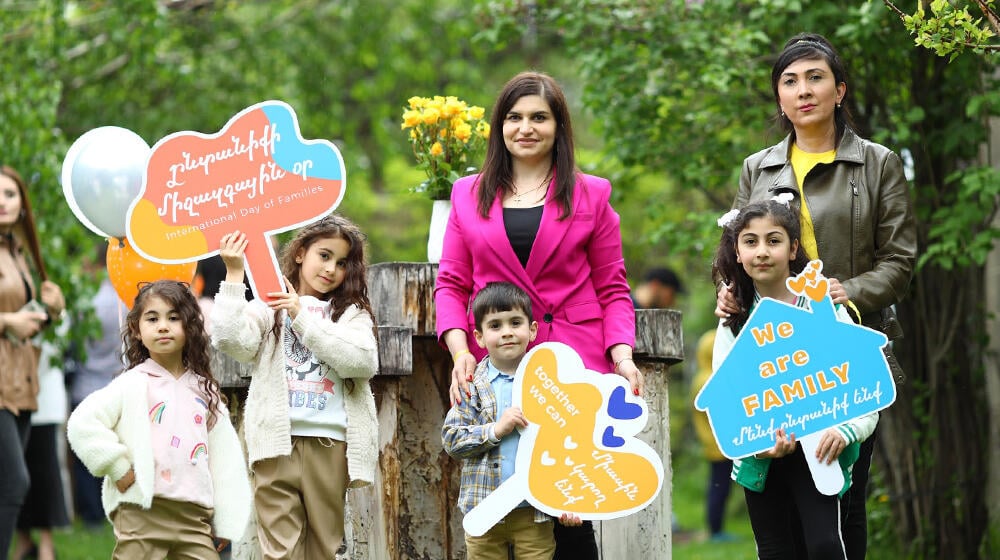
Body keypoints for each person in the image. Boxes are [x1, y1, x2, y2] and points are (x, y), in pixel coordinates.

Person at [717, 33, 916, 559]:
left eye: (815, 77)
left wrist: (843, 290)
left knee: (839, 507)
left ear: (839, 90)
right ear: (779, 97)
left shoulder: (877, 164)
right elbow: (736, 250)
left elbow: (899, 262)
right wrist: (727, 295)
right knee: (777, 507)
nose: (803, 90)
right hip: (770, 357)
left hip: (844, 356)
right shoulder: (757, 168)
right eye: (790, 81)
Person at [434, 72, 639, 558]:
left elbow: (612, 287)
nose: (526, 128)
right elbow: (452, 283)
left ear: (558, 126)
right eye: (514, 117)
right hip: (497, 363)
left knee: (569, 506)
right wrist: (461, 351)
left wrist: (623, 356)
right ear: (499, 127)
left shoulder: (593, 193)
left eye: (539, 117)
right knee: (499, 500)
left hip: (573, 362)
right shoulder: (468, 193)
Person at [712, 198, 878, 559]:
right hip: (762, 457)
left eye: (773, 240)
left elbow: (866, 385)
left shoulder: (823, 308)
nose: (762, 251)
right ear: (737, 253)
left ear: (793, 249)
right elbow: (725, 400)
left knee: (824, 547)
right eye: (750, 241)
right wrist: (756, 441)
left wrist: (846, 430)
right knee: (776, 551)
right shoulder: (734, 320)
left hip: (820, 449)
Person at [211, 214, 379, 559]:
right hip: (275, 446)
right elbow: (230, 341)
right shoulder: (269, 305)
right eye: (324, 255)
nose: (331, 268)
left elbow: (361, 362)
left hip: (329, 445)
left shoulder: (350, 314)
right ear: (301, 253)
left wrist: (301, 317)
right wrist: (233, 275)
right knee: (280, 553)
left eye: (342, 262)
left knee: (325, 548)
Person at [65, 280, 251, 559]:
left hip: (195, 519)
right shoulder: (131, 384)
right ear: (137, 330)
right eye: (152, 318)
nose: (163, 326)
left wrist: (225, 521)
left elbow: (225, 460)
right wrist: (116, 466)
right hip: (142, 513)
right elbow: (82, 423)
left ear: (190, 327)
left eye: (174, 318)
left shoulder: (206, 391)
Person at [442, 282, 582, 559]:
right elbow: (452, 440)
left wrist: (570, 499)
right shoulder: (472, 385)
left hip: (533, 512)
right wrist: (495, 430)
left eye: (515, 322)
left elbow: (571, 445)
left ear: (532, 330)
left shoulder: (550, 386)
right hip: (484, 511)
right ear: (479, 338)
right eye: (495, 326)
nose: (507, 332)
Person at [0, 165, 66, 558]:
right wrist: (8, 320)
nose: (2, 201)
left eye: (9, 193)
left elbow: (22, 327)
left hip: (21, 381)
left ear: (22, 204)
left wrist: (50, 312)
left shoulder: (18, 253)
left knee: (7, 485)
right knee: (14, 482)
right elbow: (9, 321)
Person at [68, 242, 126, 530]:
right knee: (117, 448)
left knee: (85, 453)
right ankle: (115, 508)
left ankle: (91, 516)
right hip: (115, 381)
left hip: (85, 383)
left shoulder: (84, 300)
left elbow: (72, 345)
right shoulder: (122, 298)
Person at [12, 333, 71, 560]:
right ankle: (24, 540)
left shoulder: (56, 300)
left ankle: (47, 543)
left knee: (46, 474)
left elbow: (55, 344)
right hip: (11, 396)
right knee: (16, 475)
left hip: (43, 399)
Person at [689, 328, 737, 544]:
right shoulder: (710, 379)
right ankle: (715, 531)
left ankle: (716, 529)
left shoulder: (702, 375)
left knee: (720, 486)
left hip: (714, 444)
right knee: (719, 488)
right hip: (719, 445)